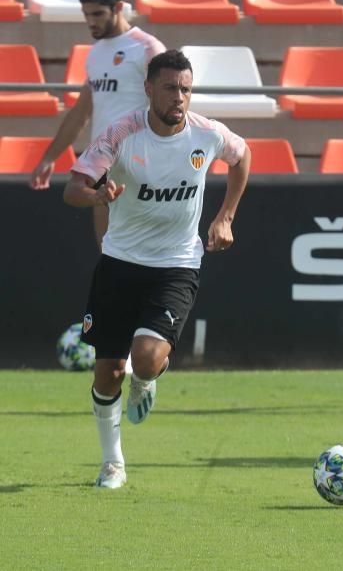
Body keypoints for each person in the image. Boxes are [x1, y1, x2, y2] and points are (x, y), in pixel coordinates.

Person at [63, 49, 251, 488]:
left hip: (176, 264)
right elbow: (73, 188)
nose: (179, 98)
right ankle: (113, 463)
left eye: (185, 89)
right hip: (119, 263)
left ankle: (146, 381)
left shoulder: (207, 134)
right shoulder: (121, 133)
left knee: (145, 361)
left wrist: (225, 216)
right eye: (170, 88)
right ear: (149, 89)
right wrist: (97, 197)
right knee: (108, 372)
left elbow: (242, 157)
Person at [31, 0, 165, 245]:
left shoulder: (147, 48)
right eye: (86, 14)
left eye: (98, 14)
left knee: (146, 255)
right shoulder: (95, 54)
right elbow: (81, 113)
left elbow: (171, 108)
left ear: (117, 7)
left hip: (140, 165)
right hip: (103, 166)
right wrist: (49, 157)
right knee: (107, 250)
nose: (91, 21)